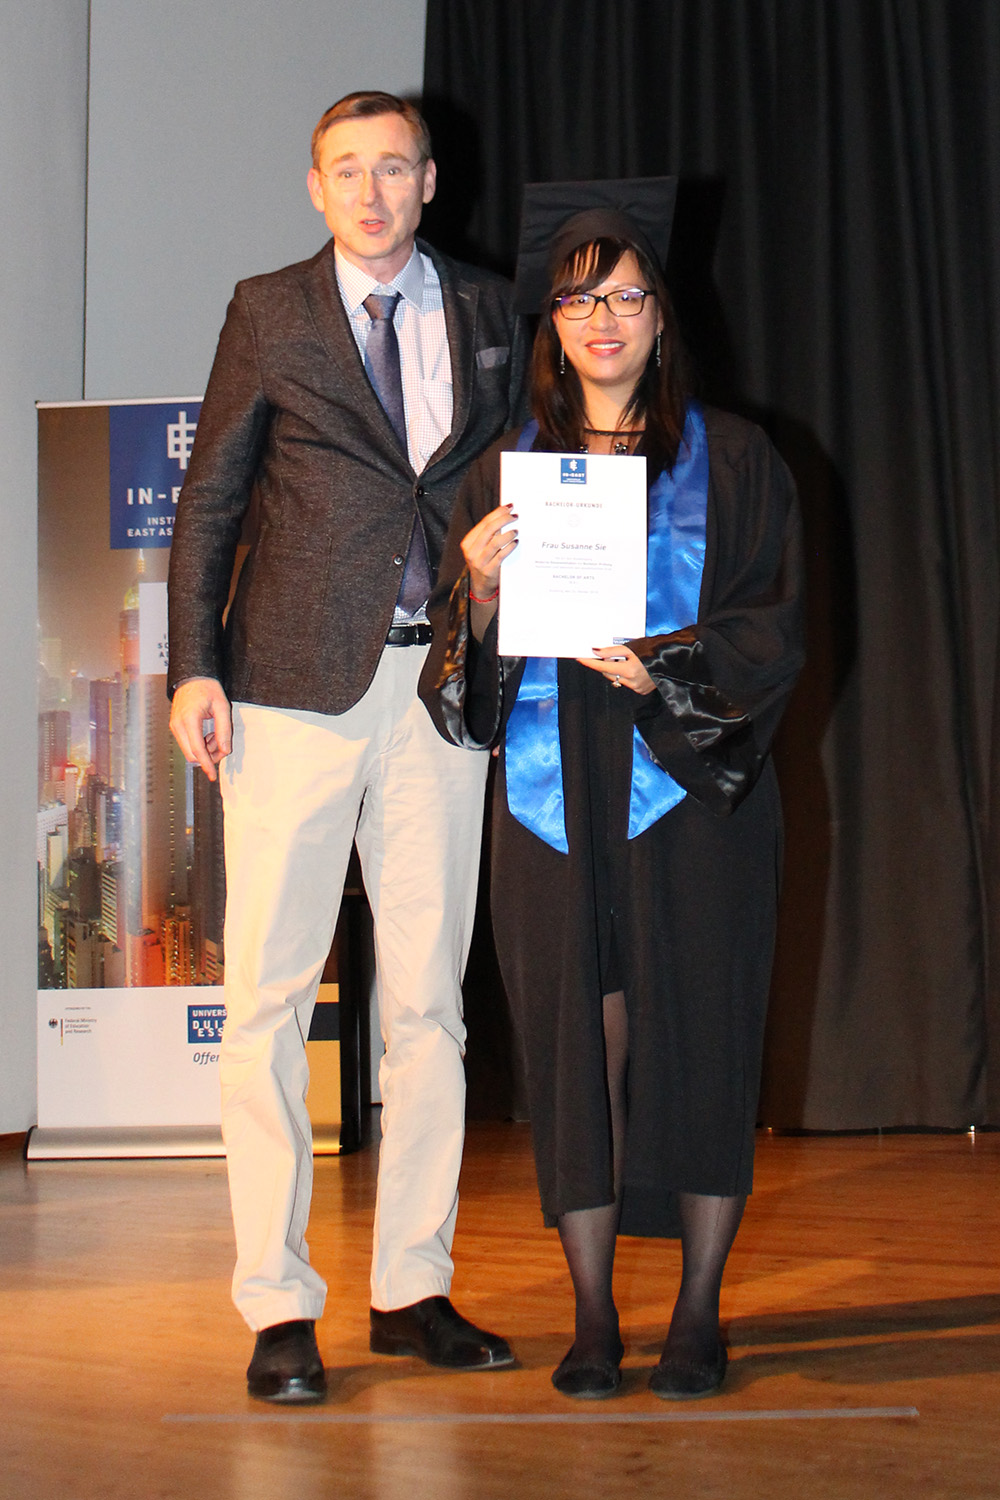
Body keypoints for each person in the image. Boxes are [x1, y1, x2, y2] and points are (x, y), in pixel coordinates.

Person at [167, 91, 526, 1404]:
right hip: (287, 690)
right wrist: (192, 667)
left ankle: (411, 1288)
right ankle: (277, 1305)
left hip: (441, 685)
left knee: (430, 1002)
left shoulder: (492, 310)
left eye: (393, 168)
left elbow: (511, 473)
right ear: (314, 186)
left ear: (429, 180)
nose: (371, 192)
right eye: (346, 170)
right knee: (269, 999)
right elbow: (211, 496)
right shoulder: (269, 310)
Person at [421, 179, 804, 1401]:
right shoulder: (501, 475)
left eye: (626, 296)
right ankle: (592, 1315)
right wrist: (478, 591)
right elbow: (456, 681)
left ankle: (696, 1313)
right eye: (579, 300)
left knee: (703, 1029)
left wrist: (665, 667)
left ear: (661, 316)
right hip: (552, 796)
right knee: (571, 1047)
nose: (603, 320)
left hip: (691, 788)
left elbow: (775, 630)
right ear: (550, 322)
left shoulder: (733, 459)